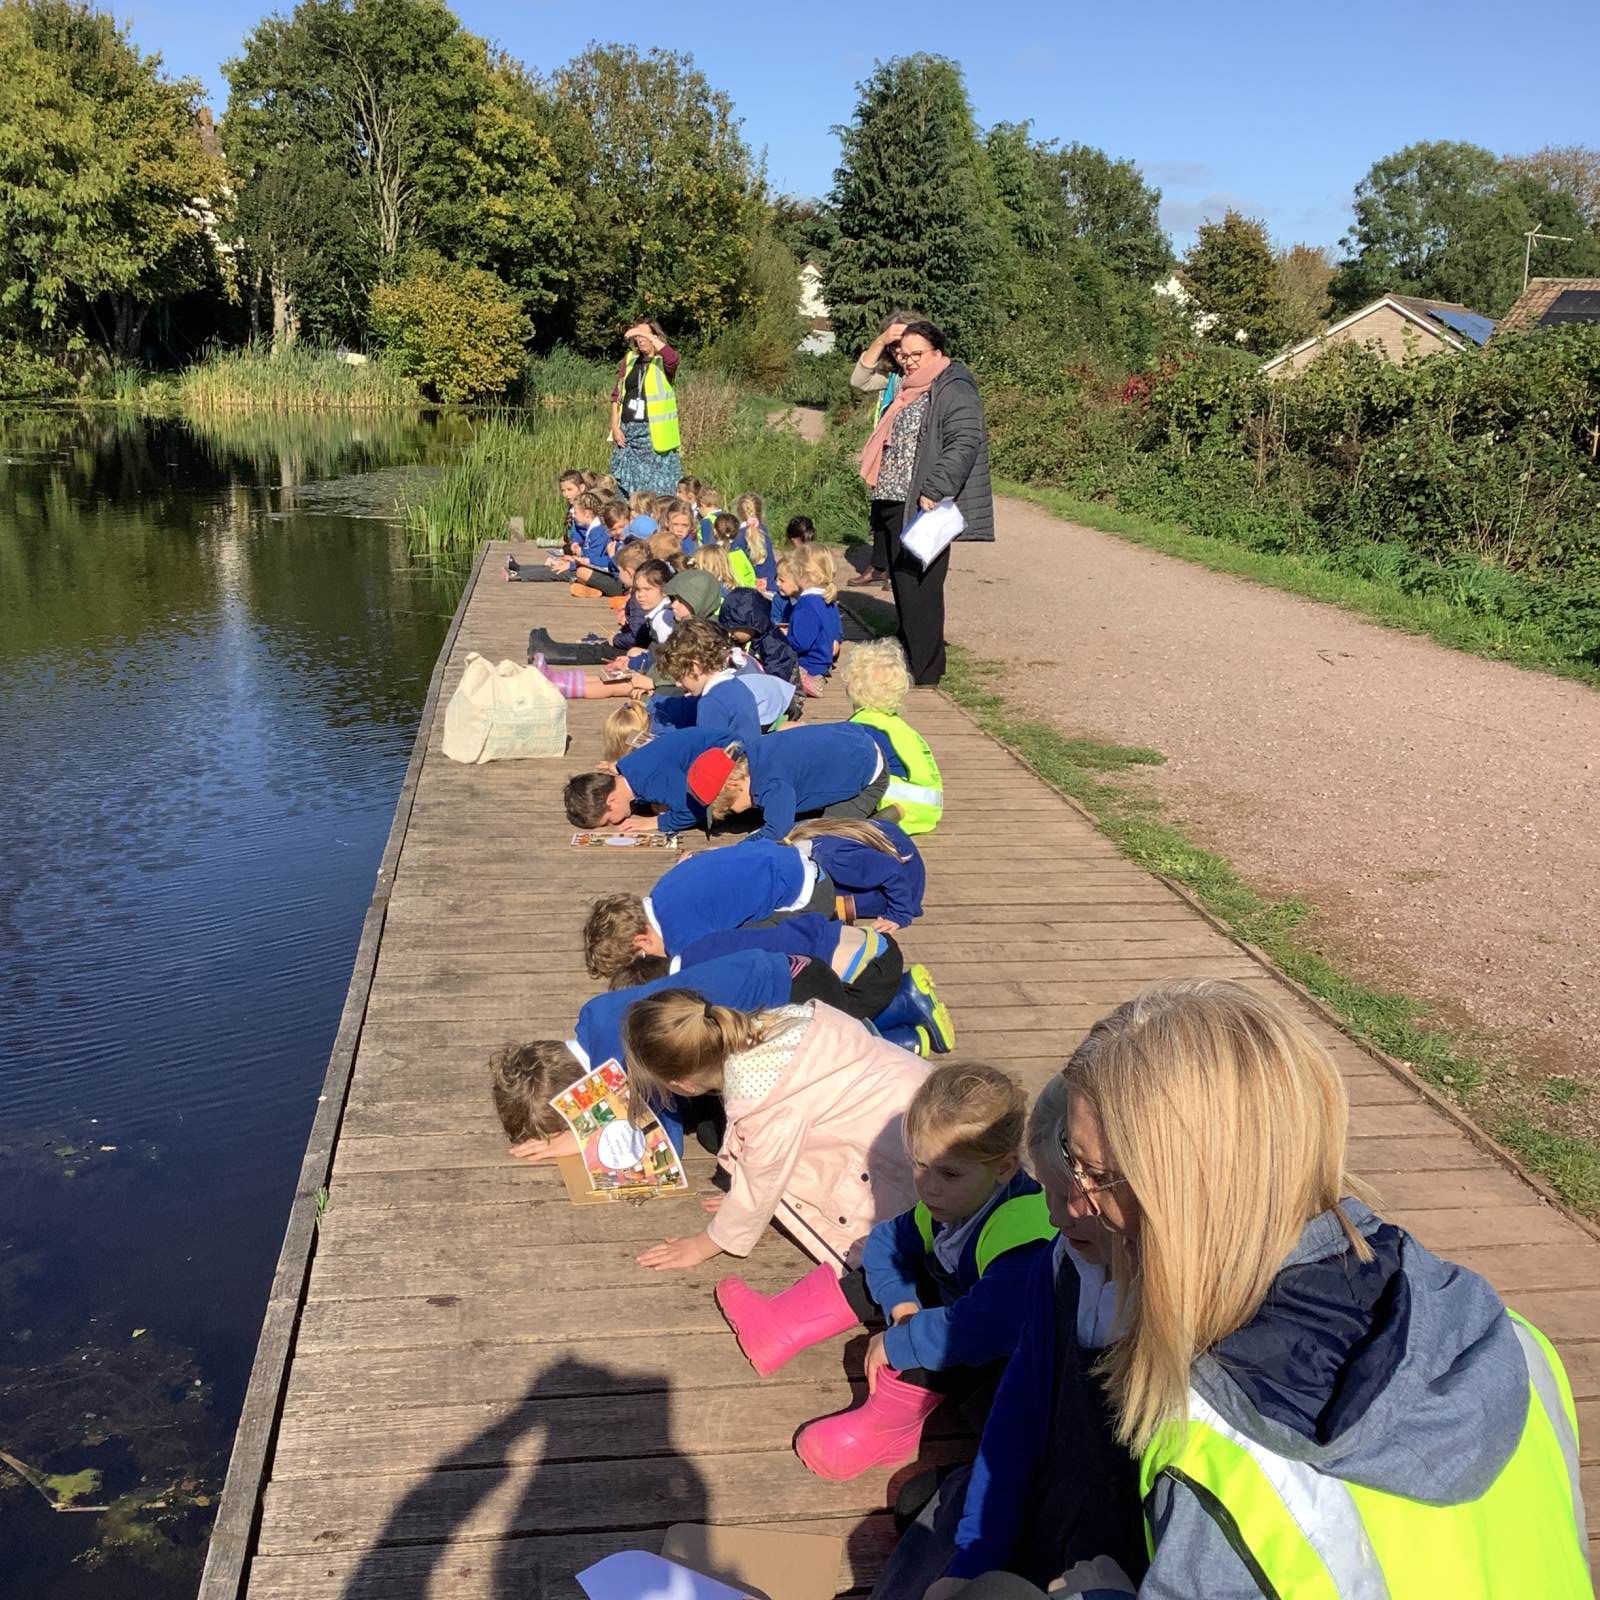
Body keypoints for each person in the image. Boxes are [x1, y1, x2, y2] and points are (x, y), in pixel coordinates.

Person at [920, 979, 1596, 1600]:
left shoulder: (1214, 1450)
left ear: (1186, 1192)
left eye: (1094, 1173)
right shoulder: (1514, 1343)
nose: (1076, 1204)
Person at [870, 1072, 1140, 1600]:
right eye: (1051, 1192)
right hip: (1047, 1478)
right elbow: (1017, 1419)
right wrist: (974, 1558)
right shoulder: (1063, 1263)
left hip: (1108, 1552)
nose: (1053, 1215)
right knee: (925, 1509)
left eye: (1072, 1196)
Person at [716, 1063, 1054, 1480]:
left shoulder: (1024, 1235)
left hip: (1007, 1371)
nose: (928, 1186)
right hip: (969, 1321)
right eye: (919, 1164)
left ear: (1005, 1167)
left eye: (949, 1172)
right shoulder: (958, 1201)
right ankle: (779, 1326)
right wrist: (901, 1307)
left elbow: (978, 1331)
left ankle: (888, 1430)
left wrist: (900, 1341)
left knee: (937, 1335)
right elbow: (885, 1244)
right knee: (900, 1272)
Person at [622, 992, 928, 1272]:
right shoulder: (776, 1026)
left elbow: (762, 1181)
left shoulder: (766, 1105)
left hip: (913, 1153)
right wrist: (741, 1196)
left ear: (683, 1086)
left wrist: (703, 1245)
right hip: (920, 1095)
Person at [859, 319, 993, 687]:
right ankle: (909, 655)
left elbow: (964, 441)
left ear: (937, 351)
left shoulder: (953, 386)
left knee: (921, 587)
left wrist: (935, 488)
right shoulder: (907, 387)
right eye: (904, 355)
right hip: (892, 497)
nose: (909, 361)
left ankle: (926, 670)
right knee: (903, 586)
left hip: (923, 501)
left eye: (917, 354)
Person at [579, 837, 839, 978]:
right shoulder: (664, 886)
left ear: (642, 941)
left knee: (741, 957)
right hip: (794, 862)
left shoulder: (682, 939)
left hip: (808, 899)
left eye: (643, 962)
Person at [685, 722, 887, 842]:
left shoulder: (771, 784)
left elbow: (776, 831)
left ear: (734, 785)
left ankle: (879, 826)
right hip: (852, 740)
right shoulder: (754, 753)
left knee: (821, 837)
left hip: (868, 775)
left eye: (728, 808)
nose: (732, 813)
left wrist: (742, 847)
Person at [850, 309, 922, 589]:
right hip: (887, 452)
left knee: (900, 515)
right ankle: (879, 565)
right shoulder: (893, 376)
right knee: (880, 511)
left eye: (903, 343)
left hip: (910, 456)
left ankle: (899, 569)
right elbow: (859, 381)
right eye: (894, 346)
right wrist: (880, 341)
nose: (900, 352)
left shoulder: (926, 374)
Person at [845, 638, 944, 834]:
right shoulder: (901, 729)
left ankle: (870, 822)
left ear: (851, 687)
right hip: (928, 813)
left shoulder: (862, 727)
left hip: (894, 803)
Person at [564, 724, 728, 835]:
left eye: (608, 821)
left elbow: (693, 809)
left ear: (612, 801)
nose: (613, 824)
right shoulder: (628, 767)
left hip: (732, 757)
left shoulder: (650, 781)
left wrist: (657, 822)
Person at [652, 619, 795, 744]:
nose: (678, 684)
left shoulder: (711, 702)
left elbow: (708, 750)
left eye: (679, 676)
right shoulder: (737, 685)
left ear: (696, 667)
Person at [788, 818, 925, 932]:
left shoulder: (834, 861)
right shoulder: (798, 831)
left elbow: (892, 869)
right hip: (882, 834)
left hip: (906, 879)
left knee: (820, 904)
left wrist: (899, 915)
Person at [610, 320, 682, 496]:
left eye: (644, 335)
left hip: (653, 435)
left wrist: (649, 336)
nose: (640, 339)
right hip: (628, 433)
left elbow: (672, 358)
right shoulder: (629, 360)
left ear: (655, 337)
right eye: (637, 336)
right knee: (625, 485)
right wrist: (615, 427)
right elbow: (616, 395)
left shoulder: (663, 362)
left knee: (658, 490)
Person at [777, 544, 843, 697]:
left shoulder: (807, 604)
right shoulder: (827, 599)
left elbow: (800, 643)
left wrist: (784, 636)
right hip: (822, 663)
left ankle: (807, 682)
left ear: (801, 572)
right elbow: (838, 633)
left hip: (808, 665)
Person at [719, 587, 801, 690]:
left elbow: (777, 677)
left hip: (782, 692)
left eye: (734, 629)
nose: (730, 634)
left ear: (751, 625)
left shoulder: (774, 644)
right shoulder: (743, 640)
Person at [734, 493, 777, 591]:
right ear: (760, 511)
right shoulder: (764, 530)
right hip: (772, 585)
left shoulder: (738, 536)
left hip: (752, 589)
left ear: (739, 513)